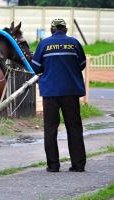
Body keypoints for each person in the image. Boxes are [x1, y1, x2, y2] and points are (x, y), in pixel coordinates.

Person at [31, 19, 87, 172]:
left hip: (50, 93)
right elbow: (82, 64)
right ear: (65, 29)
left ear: (52, 29)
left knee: (50, 128)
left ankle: (53, 165)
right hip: (71, 91)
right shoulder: (74, 43)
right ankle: (78, 165)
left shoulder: (44, 44)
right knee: (74, 127)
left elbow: (35, 67)